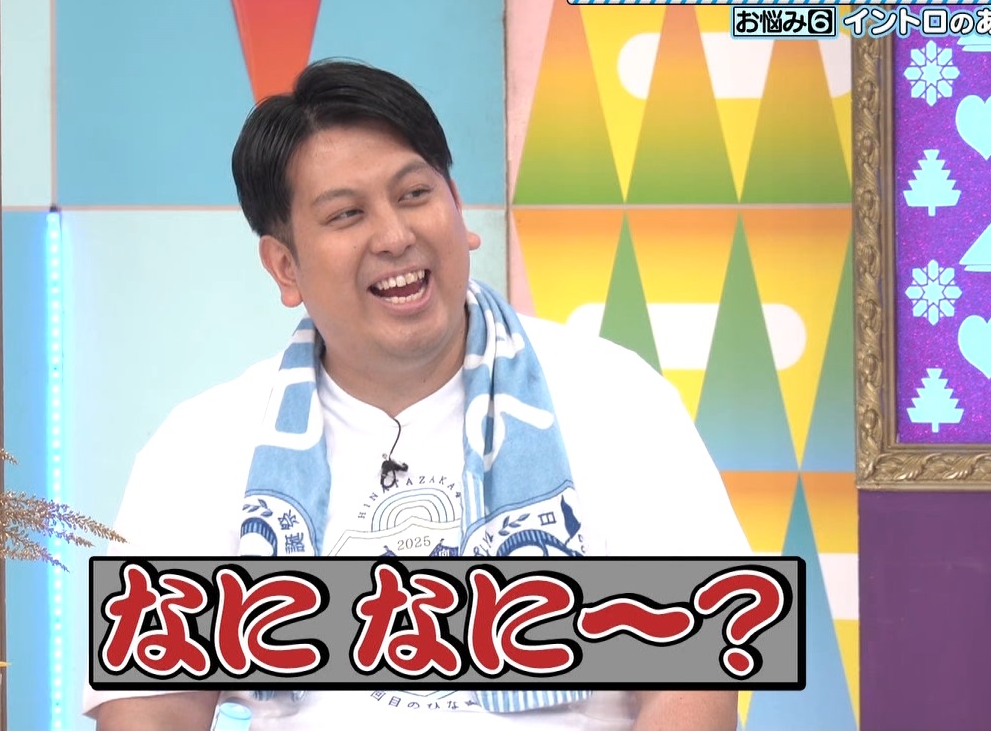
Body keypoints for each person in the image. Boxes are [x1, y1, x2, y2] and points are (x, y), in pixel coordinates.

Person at [85, 59, 751, 730]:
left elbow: (696, 685)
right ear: (285, 267)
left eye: (413, 194)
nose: (395, 237)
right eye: (347, 214)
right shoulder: (201, 444)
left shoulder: (617, 398)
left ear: (457, 208)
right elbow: (150, 712)